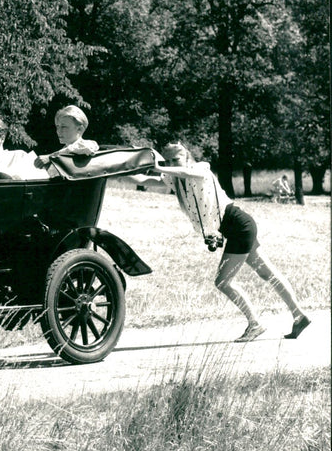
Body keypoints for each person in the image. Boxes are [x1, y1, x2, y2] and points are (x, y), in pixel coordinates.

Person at [127, 142, 311, 342]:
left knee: (223, 281)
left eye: (176, 160)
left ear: (187, 158)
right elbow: (143, 179)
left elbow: (186, 173)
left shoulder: (200, 169)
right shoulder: (174, 180)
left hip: (238, 225)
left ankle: (255, 324)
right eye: (168, 160)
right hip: (236, 228)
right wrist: (117, 169)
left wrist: (159, 166)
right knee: (267, 273)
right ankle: (299, 316)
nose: (171, 164)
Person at [34, 105, 99, 171]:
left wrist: (51, 157)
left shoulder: (87, 145)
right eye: (57, 126)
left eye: (64, 127)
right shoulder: (63, 151)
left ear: (79, 129)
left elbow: (88, 148)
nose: (58, 131)